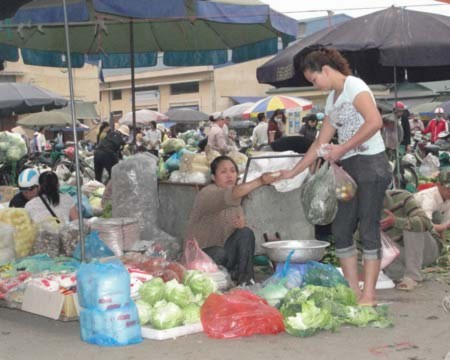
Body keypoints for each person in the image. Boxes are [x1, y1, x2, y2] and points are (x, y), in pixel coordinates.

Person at [276, 48, 391, 306]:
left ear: (325, 70)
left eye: (314, 79)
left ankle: (369, 294)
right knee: (341, 229)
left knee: (369, 227)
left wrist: (342, 148)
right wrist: (293, 171)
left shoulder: (354, 86)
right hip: (347, 171)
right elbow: (320, 142)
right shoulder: (332, 100)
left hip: (372, 165)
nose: (315, 85)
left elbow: (374, 122)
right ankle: (353, 291)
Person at [185, 156, 277, 285]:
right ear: (213, 177)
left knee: (246, 233)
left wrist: (240, 226)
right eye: (223, 172)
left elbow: (239, 234)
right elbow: (233, 193)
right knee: (219, 252)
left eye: (232, 171)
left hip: (224, 256)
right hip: (201, 258)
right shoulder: (207, 193)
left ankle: (246, 282)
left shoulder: (236, 201)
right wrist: (260, 181)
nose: (229, 175)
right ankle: (224, 278)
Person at [380, 189, 442, 291]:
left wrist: (396, 221)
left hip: (426, 250)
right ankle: (398, 275)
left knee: (413, 225)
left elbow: (424, 221)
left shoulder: (402, 196)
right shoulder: (363, 207)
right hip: (400, 255)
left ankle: (413, 276)